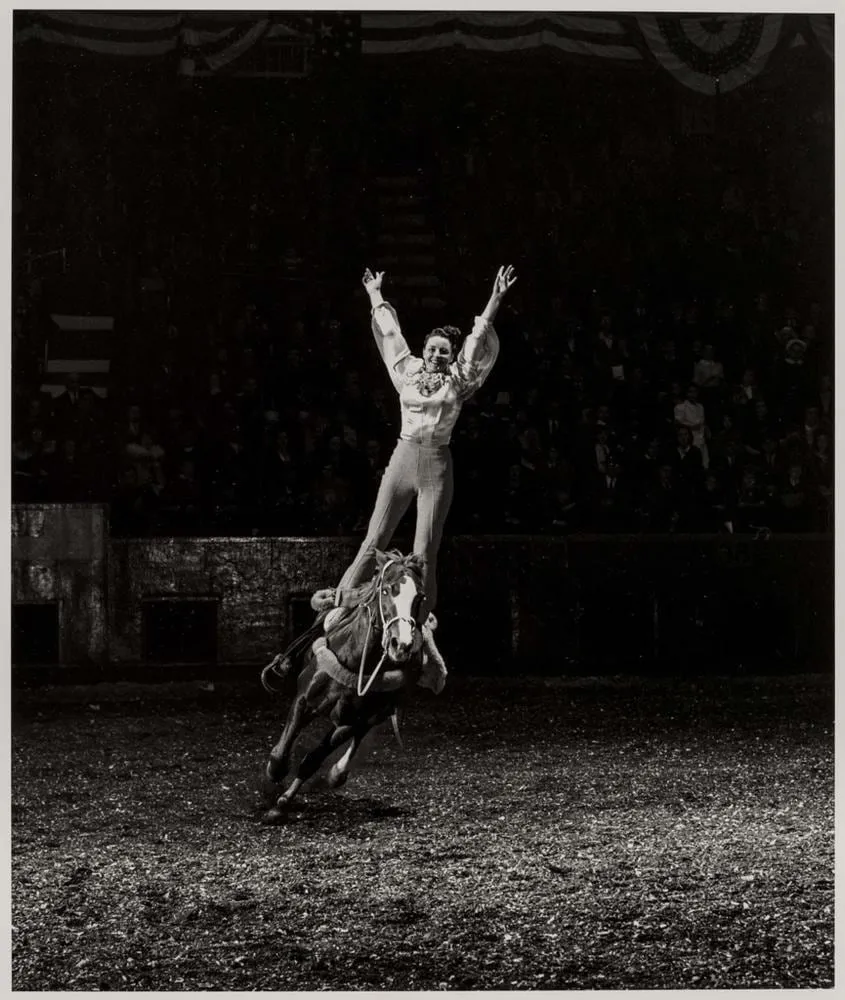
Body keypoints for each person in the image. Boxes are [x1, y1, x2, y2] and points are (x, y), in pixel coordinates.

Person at [316, 264, 517, 680]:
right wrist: (375, 293)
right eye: (433, 348)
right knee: (374, 538)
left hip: (437, 465)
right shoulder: (406, 370)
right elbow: (390, 335)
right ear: (424, 349)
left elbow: (478, 337)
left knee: (424, 552)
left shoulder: (459, 379)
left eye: (444, 351)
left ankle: (420, 634)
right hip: (403, 457)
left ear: (451, 355)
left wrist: (496, 298)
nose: (437, 355)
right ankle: (339, 612)